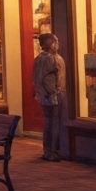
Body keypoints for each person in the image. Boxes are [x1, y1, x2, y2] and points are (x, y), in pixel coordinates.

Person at [34, 33, 67, 161]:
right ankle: (52, 150)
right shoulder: (49, 59)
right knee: (53, 122)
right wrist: (53, 93)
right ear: (49, 43)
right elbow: (46, 79)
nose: (57, 44)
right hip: (53, 95)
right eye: (54, 42)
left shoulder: (41, 58)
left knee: (51, 122)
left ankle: (50, 149)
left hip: (48, 95)